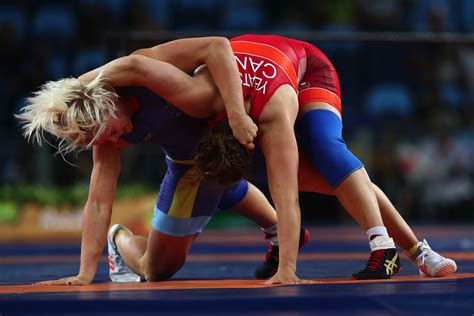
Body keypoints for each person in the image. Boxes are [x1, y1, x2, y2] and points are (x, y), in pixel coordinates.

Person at [129, 35, 456, 281]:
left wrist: (287, 270)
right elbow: (139, 60)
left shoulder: (273, 118)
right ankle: (416, 252)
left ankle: (396, 248)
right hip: (248, 92)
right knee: (335, 183)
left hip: (307, 69)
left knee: (327, 150)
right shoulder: (197, 100)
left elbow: (286, 198)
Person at [15, 38, 308, 285]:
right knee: (156, 269)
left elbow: (218, 46)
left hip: (225, 137)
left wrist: (236, 116)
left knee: (238, 168)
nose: (107, 142)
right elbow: (98, 201)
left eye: (104, 133)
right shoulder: (102, 137)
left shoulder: (140, 68)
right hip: (189, 166)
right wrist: (85, 273)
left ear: (106, 104)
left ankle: (276, 230)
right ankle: (119, 239)